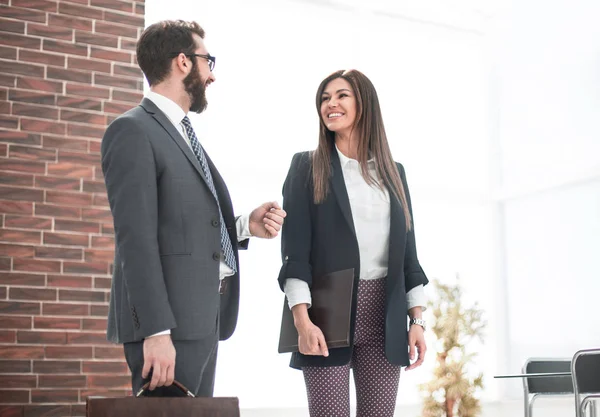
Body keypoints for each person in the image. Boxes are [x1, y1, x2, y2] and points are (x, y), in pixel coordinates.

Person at [102, 20, 286, 397]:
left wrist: (243, 227)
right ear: (183, 63)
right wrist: (155, 332)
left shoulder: (182, 133)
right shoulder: (133, 131)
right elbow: (135, 241)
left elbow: (182, 225)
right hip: (167, 331)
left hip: (202, 322)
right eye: (208, 61)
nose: (212, 76)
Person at [278, 69, 428, 416]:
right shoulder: (306, 166)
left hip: (385, 314)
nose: (330, 104)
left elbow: (409, 256)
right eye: (324, 98)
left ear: (364, 103)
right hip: (325, 315)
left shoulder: (394, 172)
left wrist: (416, 321)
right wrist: (302, 321)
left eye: (341, 95)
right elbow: (295, 254)